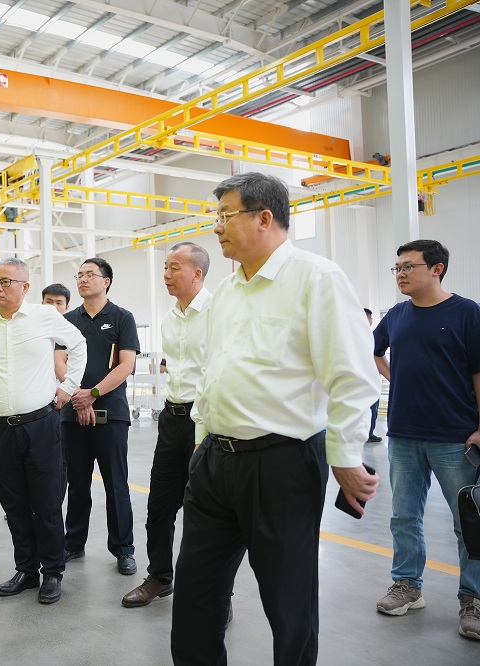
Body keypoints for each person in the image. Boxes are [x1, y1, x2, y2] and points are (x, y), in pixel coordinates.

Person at [171, 172, 380, 664]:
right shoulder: (226, 292)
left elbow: (352, 375)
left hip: (281, 464)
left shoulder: (316, 278)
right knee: (196, 592)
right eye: (216, 216)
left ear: (264, 218)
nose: (216, 227)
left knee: (289, 601)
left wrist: (346, 456)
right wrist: (202, 435)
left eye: (226, 215)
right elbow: (213, 370)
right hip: (215, 462)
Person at [372, 239, 480, 640]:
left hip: (454, 436)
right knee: (404, 517)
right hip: (403, 434)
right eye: (397, 267)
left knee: (468, 522)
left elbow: (479, 373)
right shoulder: (396, 315)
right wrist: (396, 378)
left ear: (437, 269)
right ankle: (407, 585)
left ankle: (473, 598)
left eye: (409, 267)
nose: (400, 274)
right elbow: (375, 351)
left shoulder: (467, 312)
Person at [0, 258, 87, 604]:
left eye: (7, 281)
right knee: (14, 503)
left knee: (46, 503)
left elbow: (78, 345)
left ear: (25, 287)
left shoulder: (44, 316)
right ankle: (26, 569)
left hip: (41, 425)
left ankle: (53, 571)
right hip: (0, 428)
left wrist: (69, 388)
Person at [123, 242, 210, 609]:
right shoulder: (169, 318)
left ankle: (218, 592)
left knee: (208, 513)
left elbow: (216, 373)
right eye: (165, 268)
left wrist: (203, 431)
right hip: (172, 420)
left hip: (206, 423)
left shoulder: (218, 313)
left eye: (174, 267)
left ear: (197, 273)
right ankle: (160, 576)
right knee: (159, 506)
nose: (166, 275)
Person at [59, 257, 138, 576]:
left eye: (89, 274)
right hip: (72, 413)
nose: (82, 279)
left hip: (111, 414)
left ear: (106, 281)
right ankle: (73, 542)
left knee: (116, 483)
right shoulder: (67, 320)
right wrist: (78, 397)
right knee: (77, 483)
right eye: (79, 275)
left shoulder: (122, 317)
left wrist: (91, 394)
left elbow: (126, 365)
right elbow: (59, 360)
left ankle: (124, 549)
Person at [364, 308, 382, 443]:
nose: (371, 321)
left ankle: (366, 433)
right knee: (371, 408)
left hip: (365, 379)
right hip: (368, 380)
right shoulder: (368, 337)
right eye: (371, 318)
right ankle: (368, 434)